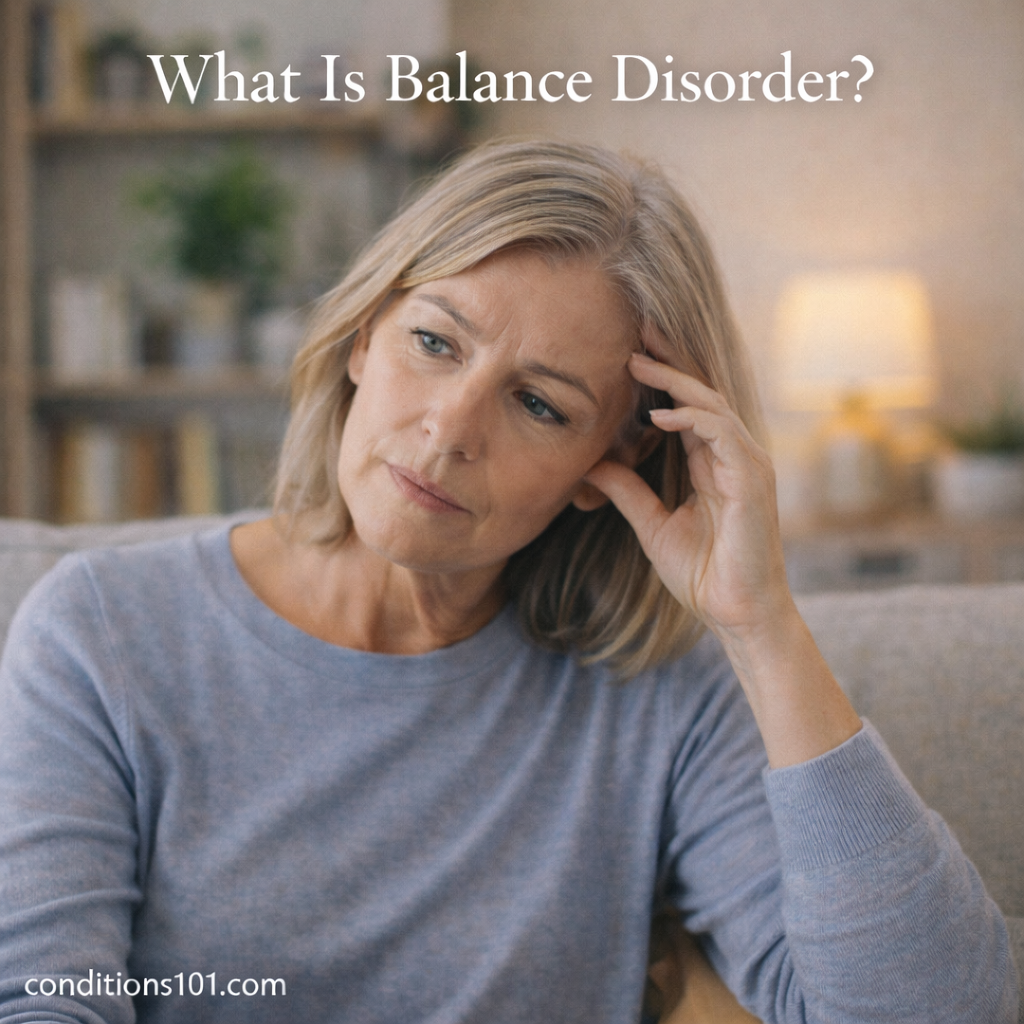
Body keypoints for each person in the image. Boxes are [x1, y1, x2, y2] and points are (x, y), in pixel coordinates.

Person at [0, 139, 1017, 1024]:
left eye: (538, 404)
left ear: (603, 470)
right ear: (363, 335)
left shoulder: (660, 693)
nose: (448, 429)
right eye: (433, 342)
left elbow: (932, 1010)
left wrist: (763, 627)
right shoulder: (102, 633)